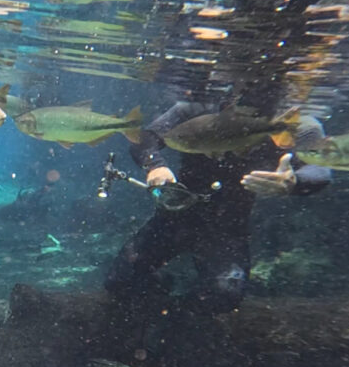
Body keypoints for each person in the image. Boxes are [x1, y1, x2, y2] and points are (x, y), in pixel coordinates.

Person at [104, 102, 331, 320]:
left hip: (227, 227)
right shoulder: (197, 109)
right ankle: (158, 309)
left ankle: (177, 322)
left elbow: (320, 171)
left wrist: (293, 181)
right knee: (119, 280)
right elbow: (144, 140)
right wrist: (155, 165)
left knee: (224, 294)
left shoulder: (294, 123)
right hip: (176, 216)